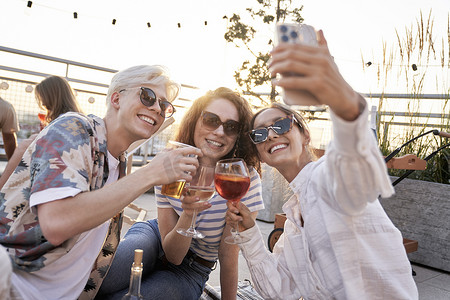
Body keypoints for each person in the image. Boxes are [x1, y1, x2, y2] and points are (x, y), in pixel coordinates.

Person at [225, 30, 419, 299]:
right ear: (260, 152)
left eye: (281, 125)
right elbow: (278, 291)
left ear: (305, 135)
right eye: (259, 134)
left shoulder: (331, 174)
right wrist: (249, 232)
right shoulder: (293, 220)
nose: (270, 135)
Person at [0, 65, 201, 300]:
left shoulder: (118, 164)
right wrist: (150, 173)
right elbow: (56, 223)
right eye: (147, 96)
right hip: (12, 283)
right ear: (116, 98)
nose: (157, 108)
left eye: (165, 106)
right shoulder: (73, 127)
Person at [97, 87, 265, 300]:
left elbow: (227, 255)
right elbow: (172, 252)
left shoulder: (241, 180)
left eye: (231, 126)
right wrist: (187, 215)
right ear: (195, 120)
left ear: (238, 135)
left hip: (192, 269)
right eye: (211, 120)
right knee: (101, 279)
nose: (220, 132)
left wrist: (189, 214)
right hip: (155, 237)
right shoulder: (170, 162)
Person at [0, 75, 83, 190]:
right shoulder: (78, 121)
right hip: (64, 177)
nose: (43, 105)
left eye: (44, 103)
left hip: (56, 178)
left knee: (27, 143)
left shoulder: (61, 124)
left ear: (51, 99)